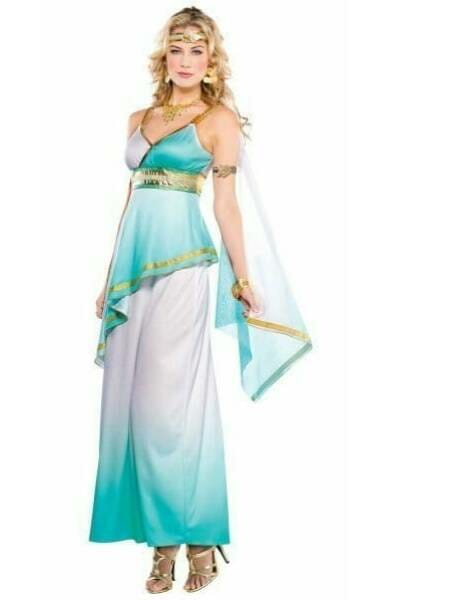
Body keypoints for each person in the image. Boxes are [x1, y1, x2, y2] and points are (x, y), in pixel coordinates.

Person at [89, 6, 312, 594]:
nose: (186, 59)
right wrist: (109, 277)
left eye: (197, 49)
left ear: (211, 61)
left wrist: (242, 278)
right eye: (177, 47)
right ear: (163, 56)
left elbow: (226, 205)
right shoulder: (137, 117)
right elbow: (130, 200)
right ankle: (162, 542)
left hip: (183, 266)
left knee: (171, 405)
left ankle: (198, 537)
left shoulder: (219, 120)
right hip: (133, 273)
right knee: (135, 407)